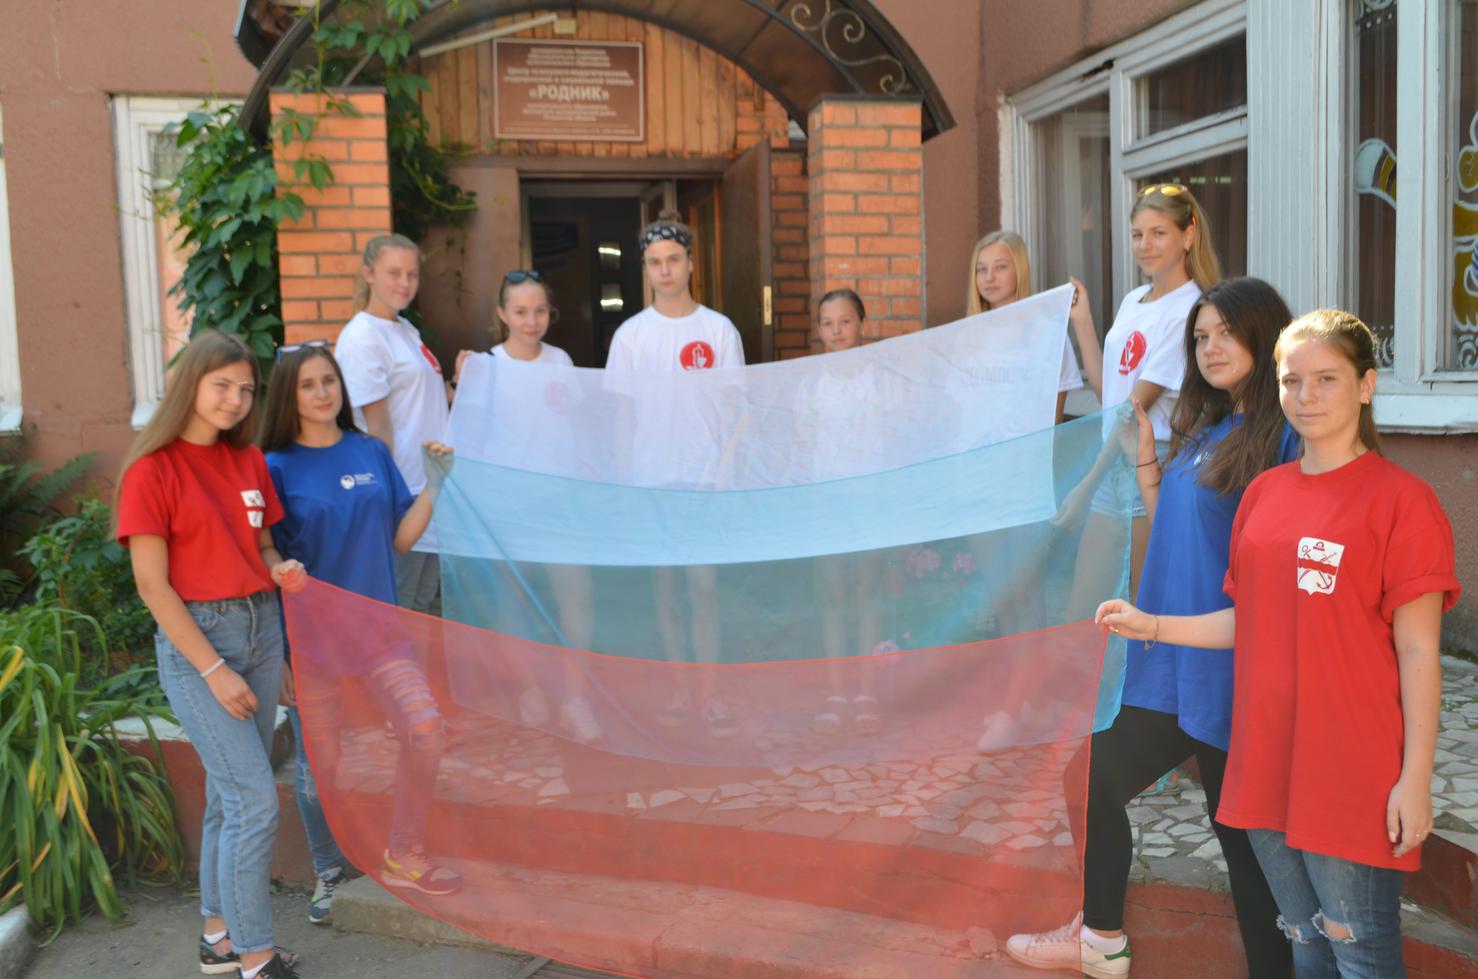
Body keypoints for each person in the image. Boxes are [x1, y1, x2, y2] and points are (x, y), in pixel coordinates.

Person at [1095, 309, 1460, 978]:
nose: (1306, 396)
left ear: (1367, 385)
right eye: (1293, 380)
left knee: (1359, 953)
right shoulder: (1264, 494)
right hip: (1264, 758)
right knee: (1304, 942)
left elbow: (1417, 653)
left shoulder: (1402, 502)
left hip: (1350, 768)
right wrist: (1156, 626)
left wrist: (1414, 779)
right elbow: (1253, 620)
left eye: (1327, 379)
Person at [1006, 278, 1300, 978]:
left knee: (1246, 851)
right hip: (1172, 661)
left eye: (1226, 332)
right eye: (1200, 337)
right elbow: (1181, 522)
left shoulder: (1286, 437)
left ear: (1265, 335)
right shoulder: (1212, 430)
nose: (1210, 347)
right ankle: (1100, 937)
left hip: (1236, 672)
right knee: (1090, 775)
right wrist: (1146, 457)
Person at [115, 330, 305, 979]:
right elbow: (152, 585)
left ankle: (218, 936)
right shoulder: (152, 470)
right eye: (222, 385)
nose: (235, 399)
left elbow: (263, 545)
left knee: (230, 797)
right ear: (190, 384)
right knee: (255, 800)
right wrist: (214, 669)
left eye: (246, 389)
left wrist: (279, 570)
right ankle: (256, 955)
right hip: (201, 641)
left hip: (262, 628)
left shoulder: (248, 461)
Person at [258, 341, 464, 926]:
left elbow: (401, 537)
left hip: (379, 635)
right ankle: (328, 869)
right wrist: (280, 653)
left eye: (330, 380)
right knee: (318, 770)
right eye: (308, 384)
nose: (323, 393)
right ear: (288, 395)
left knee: (424, 730)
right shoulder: (273, 467)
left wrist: (437, 484)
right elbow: (264, 551)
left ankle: (404, 852)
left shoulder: (370, 451)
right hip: (311, 646)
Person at [605, 210, 744, 736]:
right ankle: (681, 689)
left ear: (690, 263)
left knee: (704, 588)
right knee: (665, 588)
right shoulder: (631, 336)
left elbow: (736, 413)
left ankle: (711, 692)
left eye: (673, 259)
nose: (665, 270)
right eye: (654, 262)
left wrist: (722, 476)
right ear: (645, 268)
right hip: (652, 481)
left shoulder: (718, 329)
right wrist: (625, 486)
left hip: (704, 484)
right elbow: (622, 419)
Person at [1060, 182, 1222, 609]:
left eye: (1158, 233)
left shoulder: (1191, 309)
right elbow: (1109, 395)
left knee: (1141, 605)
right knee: (1084, 608)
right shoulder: (1134, 299)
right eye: (1137, 235)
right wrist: (1083, 321)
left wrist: (1084, 487)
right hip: (1112, 459)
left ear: (1188, 235)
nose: (1144, 245)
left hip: (1150, 460)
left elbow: (1133, 410)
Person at [333, 233, 462, 614]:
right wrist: (388, 504)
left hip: (429, 490)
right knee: (401, 611)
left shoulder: (405, 328)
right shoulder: (363, 337)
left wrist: (458, 382)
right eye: (394, 273)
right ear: (369, 274)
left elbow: (424, 401)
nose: (405, 283)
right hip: (402, 496)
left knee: (422, 605)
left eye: (412, 274)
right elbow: (378, 433)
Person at [806, 289, 886, 733]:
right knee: (832, 594)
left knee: (868, 594)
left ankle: (868, 692)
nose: (836, 331)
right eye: (827, 323)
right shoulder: (811, 383)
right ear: (818, 330)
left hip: (870, 501)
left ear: (862, 324)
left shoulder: (881, 379)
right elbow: (804, 444)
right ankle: (838, 693)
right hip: (827, 505)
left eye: (845, 321)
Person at [967, 229, 1102, 423]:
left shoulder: (1047, 333)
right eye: (981, 269)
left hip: (1031, 442)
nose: (989, 277)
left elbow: (1054, 419)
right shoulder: (966, 336)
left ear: (1020, 269)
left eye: (1001, 267)